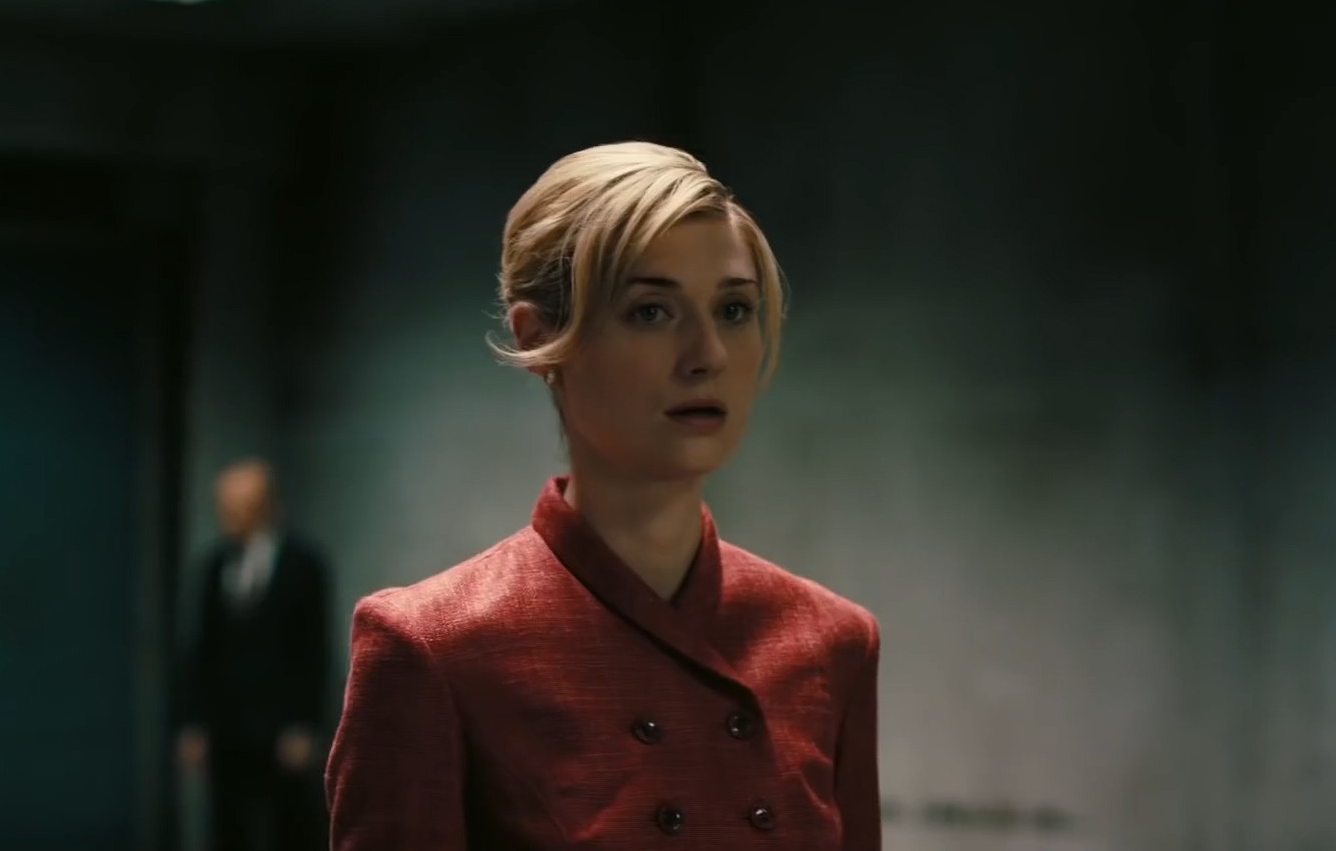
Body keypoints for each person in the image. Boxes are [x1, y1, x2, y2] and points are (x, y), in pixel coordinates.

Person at [325, 142, 882, 850]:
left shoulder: (830, 641)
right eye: (651, 312)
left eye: (735, 309)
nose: (707, 353)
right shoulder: (434, 648)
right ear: (542, 340)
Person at [178, 457, 332, 851]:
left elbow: (313, 648)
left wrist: (305, 723)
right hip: (227, 726)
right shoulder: (215, 565)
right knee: (227, 827)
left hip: (280, 726)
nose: (229, 515)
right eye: (225, 505)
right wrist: (194, 721)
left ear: (265, 506)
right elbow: (203, 648)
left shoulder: (303, 565)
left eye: (239, 506)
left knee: (291, 827)